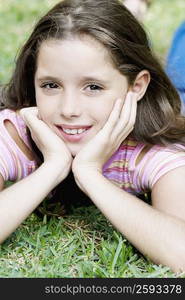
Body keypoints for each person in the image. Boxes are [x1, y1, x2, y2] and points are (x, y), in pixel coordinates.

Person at [1, 0, 185, 274]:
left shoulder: (156, 148)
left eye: (93, 87)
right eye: (51, 85)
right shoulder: (15, 131)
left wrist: (89, 173)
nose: (69, 110)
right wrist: (53, 166)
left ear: (137, 86)